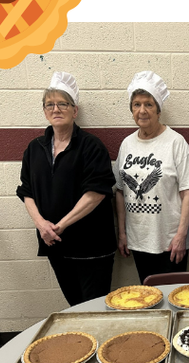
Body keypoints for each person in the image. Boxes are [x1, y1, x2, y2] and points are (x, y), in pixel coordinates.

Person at [16, 72, 117, 307]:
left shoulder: (91, 146)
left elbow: (96, 193)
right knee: (74, 306)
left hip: (91, 246)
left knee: (93, 308)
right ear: (44, 111)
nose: (56, 109)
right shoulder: (35, 148)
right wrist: (42, 225)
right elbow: (26, 191)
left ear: (75, 110)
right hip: (55, 244)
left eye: (63, 104)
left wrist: (59, 226)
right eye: (50, 104)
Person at [114, 71, 189, 282]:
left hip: (170, 243)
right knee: (147, 297)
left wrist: (181, 236)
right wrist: (123, 233)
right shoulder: (127, 144)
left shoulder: (176, 142)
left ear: (158, 110)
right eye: (136, 105)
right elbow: (120, 191)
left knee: (174, 299)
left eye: (148, 104)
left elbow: (188, 192)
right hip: (138, 240)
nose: (142, 110)